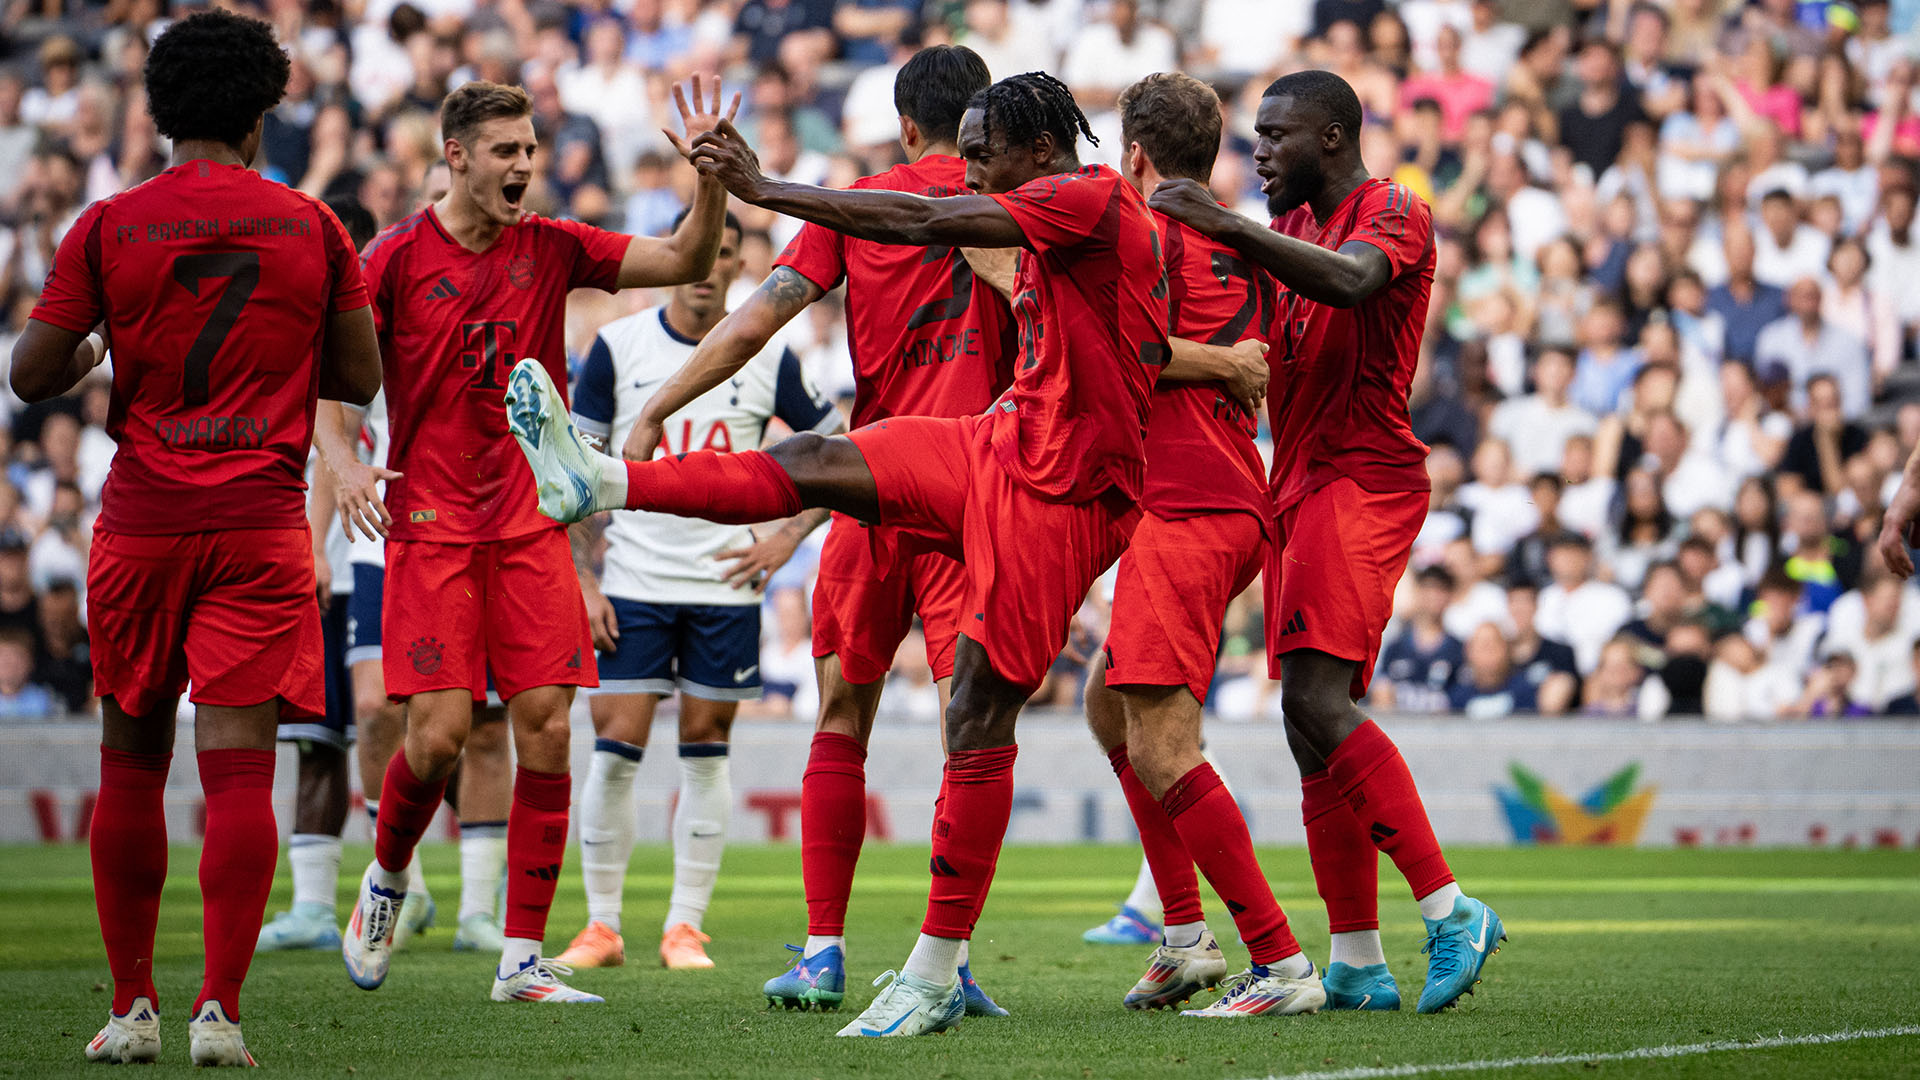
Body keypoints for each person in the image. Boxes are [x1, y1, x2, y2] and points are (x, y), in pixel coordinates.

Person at [508, 71, 1217, 1034]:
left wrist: (764, 200)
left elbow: (898, 251)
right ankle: (602, 484)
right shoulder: (1017, 215)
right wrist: (660, 414)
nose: (957, 170)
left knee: (955, 710)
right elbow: (1094, 324)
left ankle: (916, 960)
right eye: (958, 147)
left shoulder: (1063, 205)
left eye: (977, 152)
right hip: (981, 447)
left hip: (1052, 494)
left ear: (1031, 146)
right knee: (813, 466)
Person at [597, 46, 1011, 1012]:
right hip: (978, 494)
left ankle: (824, 951)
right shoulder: (1018, 206)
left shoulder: (858, 204)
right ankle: (947, 967)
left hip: (875, 489)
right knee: (972, 733)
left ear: (907, 125)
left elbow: (754, 322)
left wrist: (659, 403)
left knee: (841, 717)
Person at [9, 9, 381, 1065]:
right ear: (265, 111)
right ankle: (220, 1011)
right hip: (258, 523)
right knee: (238, 775)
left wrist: (96, 351)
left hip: (142, 521)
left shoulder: (108, 223)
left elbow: (29, 374)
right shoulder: (313, 226)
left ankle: (131, 1010)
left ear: (159, 110)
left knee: (129, 766)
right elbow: (358, 378)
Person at [339, 74, 737, 1007]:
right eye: (508, 152)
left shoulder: (552, 248)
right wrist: (343, 462)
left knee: (549, 730)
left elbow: (686, 254)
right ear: (457, 157)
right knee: (434, 739)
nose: (526, 166)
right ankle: (386, 878)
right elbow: (334, 373)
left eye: (532, 150)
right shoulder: (392, 258)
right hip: (432, 524)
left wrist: (711, 175)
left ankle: (522, 960)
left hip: (529, 520)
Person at [1149, 67, 1503, 1015]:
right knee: (1311, 723)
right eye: (1252, 135)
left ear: (1332, 139)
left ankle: (1451, 907)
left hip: (1363, 478)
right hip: (1297, 484)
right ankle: (1356, 960)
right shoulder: (1293, 231)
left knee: (1314, 694)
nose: (1256, 152)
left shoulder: (1394, 212)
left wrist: (1226, 225)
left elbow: (1355, 286)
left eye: (1274, 135)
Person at [1069, 72, 1316, 1016]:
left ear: (1133, 155)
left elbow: (1117, 349)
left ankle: (1278, 963)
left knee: (1165, 746)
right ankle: (1182, 936)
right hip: (1217, 498)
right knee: (1108, 710)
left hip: (1188, 507)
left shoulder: (1142, 234)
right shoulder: (1243, 238)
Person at [553, 211, 840, 973]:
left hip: (724, 583)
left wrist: (787, 536)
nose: (710, 270)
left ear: (743, 267)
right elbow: (579, 469)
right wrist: (584, 576)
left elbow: (836, 447)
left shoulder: (769, 358)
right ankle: (602, 927)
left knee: (706, 752)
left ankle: (685, 927)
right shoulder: (617, 348)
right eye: (701, 254)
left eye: (725, 257)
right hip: (634, 578)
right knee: (615, 749)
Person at [254, 198, 379, 957]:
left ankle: (407, 879)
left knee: (388, 725)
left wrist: (318, 542)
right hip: (300, 547)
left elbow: (343, 444)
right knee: (315, 734)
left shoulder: (357, 335)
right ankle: (311, 905)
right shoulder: (290, 321)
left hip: (344, 549)